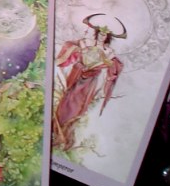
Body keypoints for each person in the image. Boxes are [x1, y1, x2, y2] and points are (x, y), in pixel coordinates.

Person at [53, 14, 125, 152]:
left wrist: (107, 72)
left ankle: (66, 135)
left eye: (105, 34)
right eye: (100, 33)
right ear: (97, 33)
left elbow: (113, 68)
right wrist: (76, 53)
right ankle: (56, 129)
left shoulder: (109, 52)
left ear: (108, 37)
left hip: (90, 81)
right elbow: (71, 49)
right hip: (76, 75)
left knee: (78, 105)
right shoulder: (86, 42)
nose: (102, 36)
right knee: (66, 100)